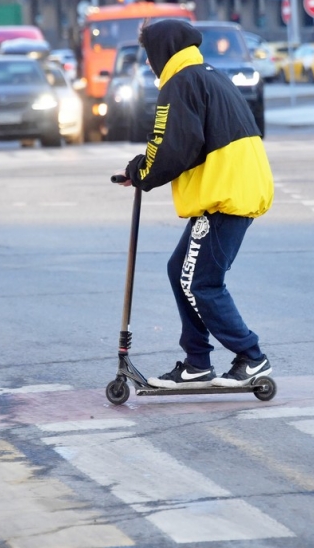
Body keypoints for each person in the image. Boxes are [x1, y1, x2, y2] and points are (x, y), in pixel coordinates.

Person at [115, 19, 274, 389]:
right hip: (234, 188)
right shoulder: (206, 74)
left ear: (161, 51)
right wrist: (141, 170)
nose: (150, 64)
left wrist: (141, 172)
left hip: (224, 195)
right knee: (181, 271)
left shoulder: (181, 81)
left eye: (150, 56)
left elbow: (173, 146)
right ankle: (197, 362)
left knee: (199, 282)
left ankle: (251, 357)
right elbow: (186, 143)